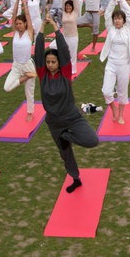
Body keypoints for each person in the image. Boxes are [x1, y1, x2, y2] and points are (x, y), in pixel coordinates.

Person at [36, 17, 99, 193]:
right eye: (47, 62)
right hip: (54, 122)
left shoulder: (65, 73)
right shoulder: (42, 74)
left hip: (71, 117)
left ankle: (66, 136)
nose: (49, 65)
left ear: (59, 63)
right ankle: (75, 178)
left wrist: (55, 27)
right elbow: (38, 49)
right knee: (66, 155)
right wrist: (42, 27)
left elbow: (63, 49)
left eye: (53, 62)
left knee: (92, 140)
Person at [3, 0, 38, 121]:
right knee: (7, 88)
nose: (18, 26)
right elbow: (13, 14)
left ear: (25, 24)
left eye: (20, 23)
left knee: (29, 92)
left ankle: (30, 112)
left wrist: (24, 0)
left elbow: (27, 14)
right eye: (16, 24)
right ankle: (25, 78)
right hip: (16, 66)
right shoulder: (15, 32)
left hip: (28, 65)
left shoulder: (30, 32)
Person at [100, 8, 130, 125]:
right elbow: (107, 14)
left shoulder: (128, 30)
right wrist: (113, 0)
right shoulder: (110, 30)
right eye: (115, 18)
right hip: (111, 63)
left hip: (124, 65)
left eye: (119, 18)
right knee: (106, 91)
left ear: (124, 20)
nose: (117, 21)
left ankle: (120, 115)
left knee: (122, 91)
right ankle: (113, 108)